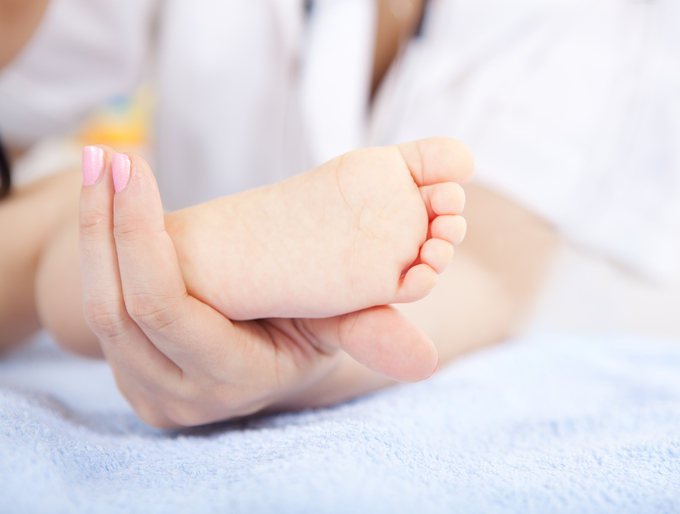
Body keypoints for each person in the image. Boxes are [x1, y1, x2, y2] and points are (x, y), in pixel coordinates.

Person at [17, 0, 676, 427]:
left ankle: (197, 264)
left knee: (82, 254)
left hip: (540, 299)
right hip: (144, 242)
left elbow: (488, 273)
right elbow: (31, 66)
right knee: (81, 244)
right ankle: (190, 257)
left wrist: (318, 355)